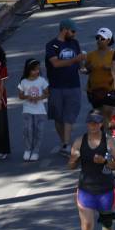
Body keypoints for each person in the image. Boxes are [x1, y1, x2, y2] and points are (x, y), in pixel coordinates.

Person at [46, 19, 85, 155]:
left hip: (73, 85)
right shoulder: (52, 45)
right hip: (56, 86)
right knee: (58, 117)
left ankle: (66, 144)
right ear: (64, 30)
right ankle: (64, 143)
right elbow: (55, 64)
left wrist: (83, 66)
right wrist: (75, 59)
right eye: (72, 31)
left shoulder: (74, 43)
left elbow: (79, 64)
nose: (74, 34)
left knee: (69, 116)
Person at [17, 59, 49, 162]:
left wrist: (39, 97)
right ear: (28, 70)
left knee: (38, 131)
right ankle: (27, 149)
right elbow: (20, 95)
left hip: (40, 111)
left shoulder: (42, 81)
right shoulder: (23, 81)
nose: (36, 71)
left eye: (38, 69)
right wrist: (28, 97)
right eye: (34, 70)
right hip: (27, 110)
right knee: (28, 130)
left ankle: (35, 151)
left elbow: (47, 93)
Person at [83, 27, 115, 118]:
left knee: (108, 112)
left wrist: (109, 68)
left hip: (110, 89)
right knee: (99, 115)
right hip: (94, 91)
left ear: (108, 40)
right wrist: (88, 68)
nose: (99, 40)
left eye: (102, 38)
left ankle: (110, 126)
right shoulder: (91, 55)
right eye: (97, 38)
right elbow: (84, 70)